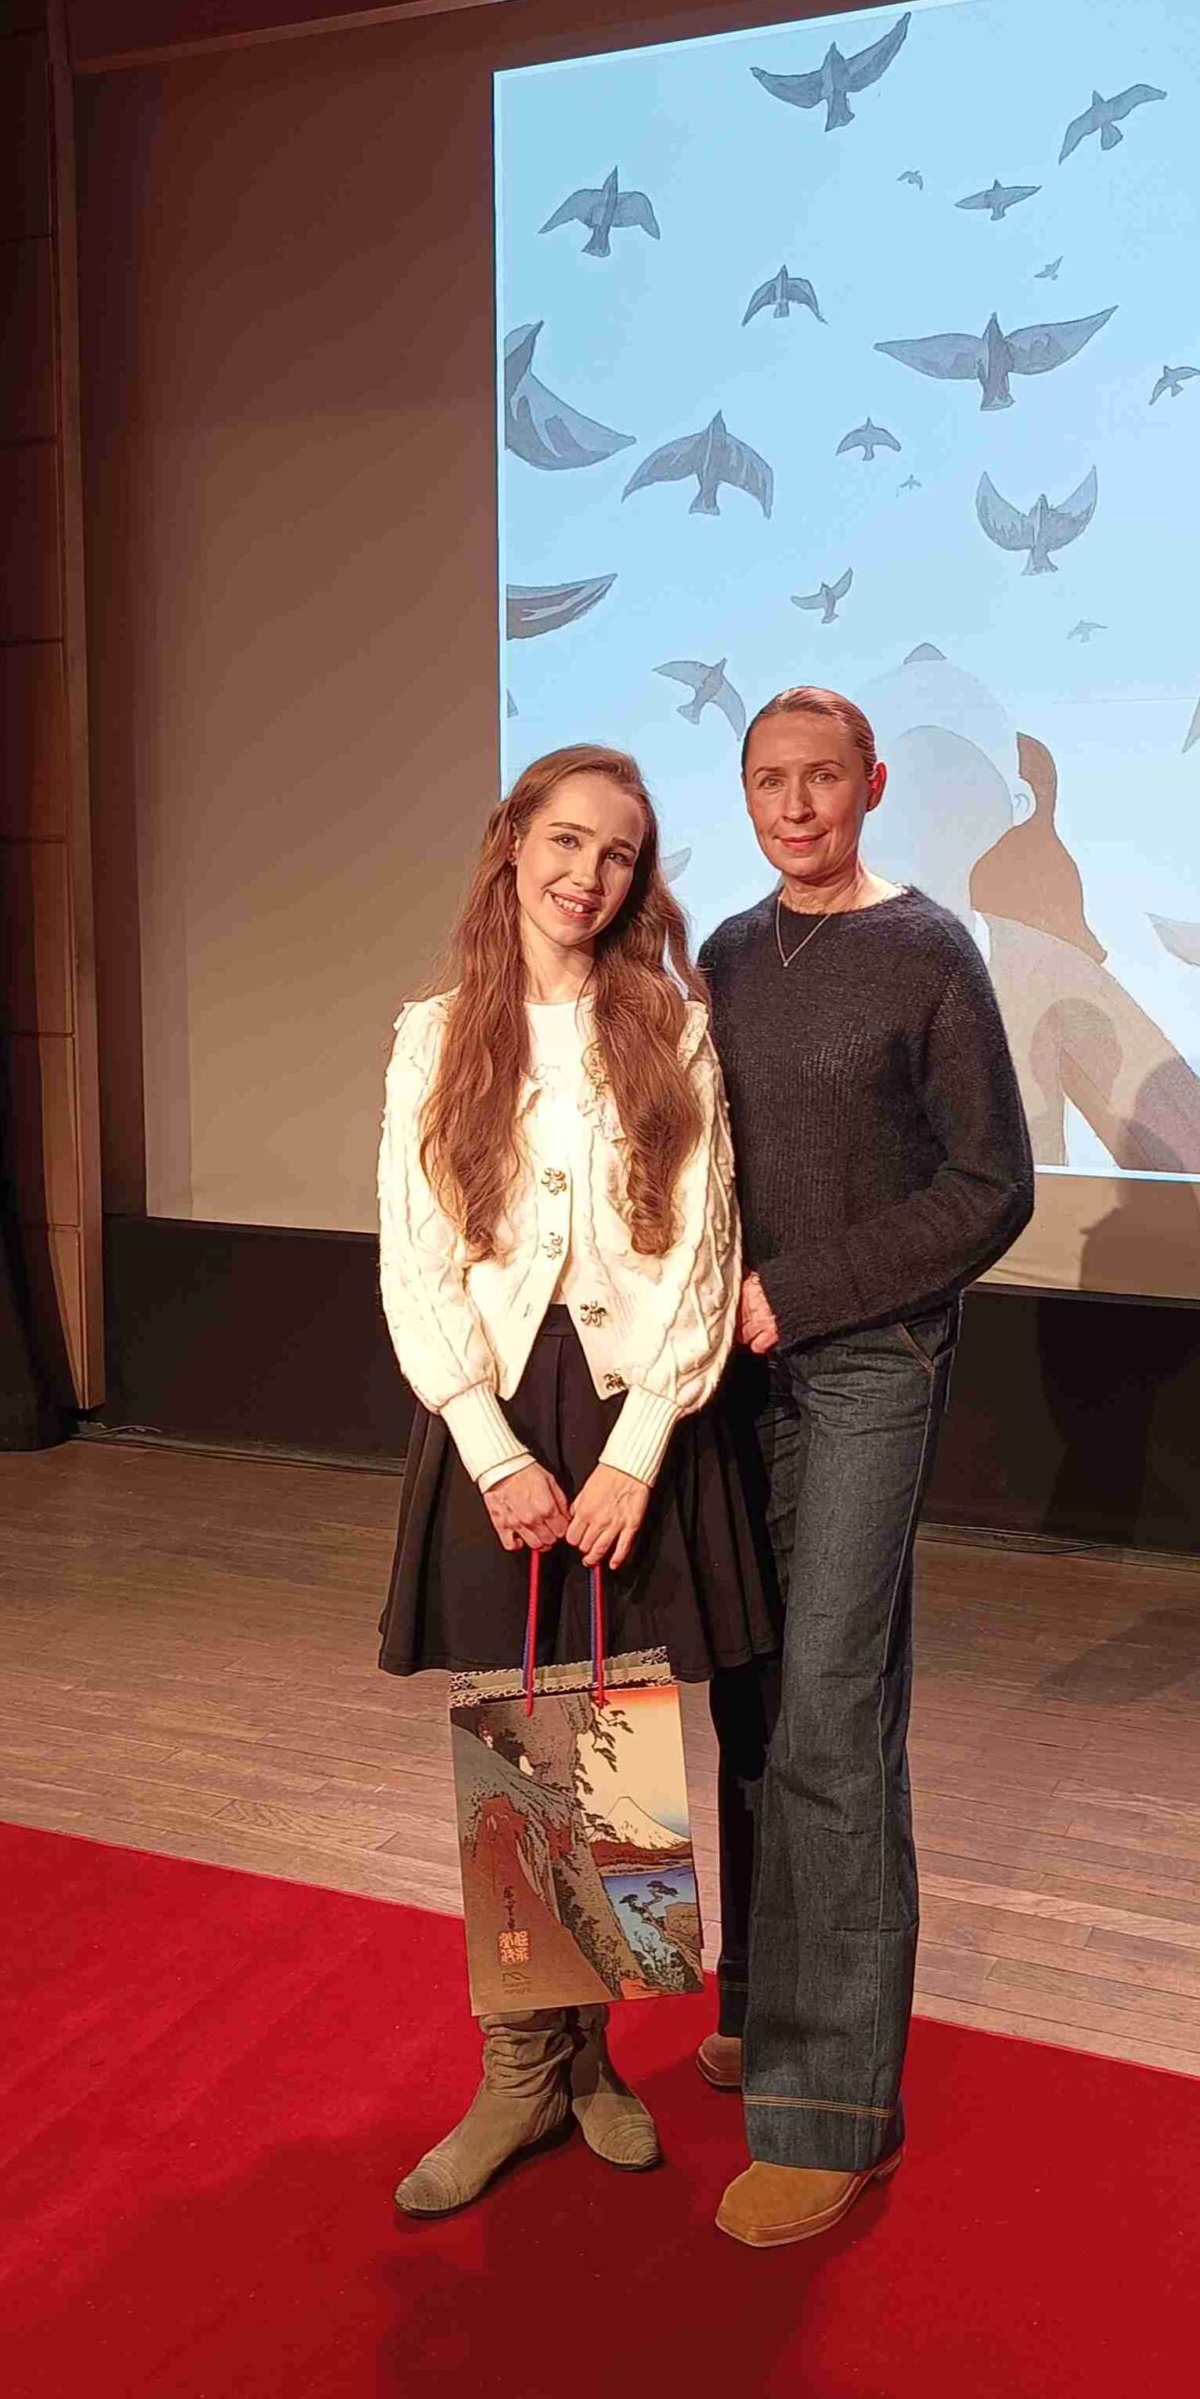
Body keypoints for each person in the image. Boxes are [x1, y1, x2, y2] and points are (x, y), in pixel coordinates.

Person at [375, 743, 778, 2218]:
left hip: (629, 1418)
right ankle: (516, 2077)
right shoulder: (433, 1036)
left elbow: (706, 1249)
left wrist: (635, 1450)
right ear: (512, 844)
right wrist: (490, 1450)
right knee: (515, 1746)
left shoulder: (673, 1030)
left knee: (613, 1742)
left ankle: (595, 2061)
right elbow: (414, 1255)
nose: (586, 874)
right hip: (495, 1413)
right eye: (564, 840)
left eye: (617, 854)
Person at [697, 685, 1035, 2248]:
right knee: (754, 1695)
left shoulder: (931, 952)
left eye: (822, 777)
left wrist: (807, 1293)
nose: (796, 804)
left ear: (872, 785)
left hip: (868, 1366)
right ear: (746, 794)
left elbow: (992, 1186)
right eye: (771, 779)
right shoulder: (722, 957)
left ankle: (833, 2111)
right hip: (732, 1375)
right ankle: (765, 2006)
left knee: (834, 1708)